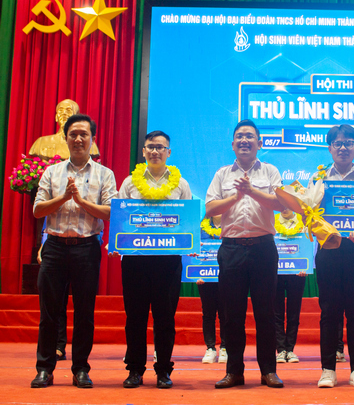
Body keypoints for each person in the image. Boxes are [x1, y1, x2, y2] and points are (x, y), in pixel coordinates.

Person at [30, 114, 117, 388]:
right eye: (73, 134)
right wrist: (64, 198)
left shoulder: (105, 174)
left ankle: (81, 369)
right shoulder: (52, 172)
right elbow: (37, 210)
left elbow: (110, 212)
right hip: (55, 247)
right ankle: (44, 369)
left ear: (93, 139)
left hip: (86, 249)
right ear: (66, 138)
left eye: (84, 134)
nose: (78, 139)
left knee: (84, 313)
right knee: (49, 312)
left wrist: (80, 201)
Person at [206, 119, 285, 388]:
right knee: (232, 314)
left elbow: (280, 204)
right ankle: (234, 372)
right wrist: (236, 197)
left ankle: (268, 371)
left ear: (259, 143)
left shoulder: (270, 171)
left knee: (266, 312)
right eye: (239, 136)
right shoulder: (222, 174)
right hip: (232, 249)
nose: (244, 140)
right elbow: (210, 209)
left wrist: (251, 190)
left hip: (263, 248)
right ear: (232, 144)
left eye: (249, 136)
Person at [116, 130, 192, 388]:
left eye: (160, 147)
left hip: (168, 261)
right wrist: (116, 241)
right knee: (135, 317)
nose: (155, 151)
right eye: (151, 147)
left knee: (165, 318)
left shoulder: (181, 184)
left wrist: (190, 241)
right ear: (144, 151)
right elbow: (121, 217)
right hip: (135, 260)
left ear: (168, 152)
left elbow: (187, 219)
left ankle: (163, 371)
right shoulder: (129, 183)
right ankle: (134, 370)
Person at [312, 124, 354, 389]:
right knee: (329, 311)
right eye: (338, 143)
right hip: (328, 249)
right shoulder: (318, 179)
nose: (343, 147)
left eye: (348, 143)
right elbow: (309, 213)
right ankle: (328, 369)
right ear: (330, 148)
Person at [274, 210, 306, 364]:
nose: (285, 207)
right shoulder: (271, 221)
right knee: (276, 313)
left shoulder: (303, 223)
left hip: (297, 272)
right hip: (275, 272)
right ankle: (280, 350)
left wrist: (305, 267)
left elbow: (308, 246)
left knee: (294, 313)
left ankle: (290, 349)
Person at [198, 214, 227, 364]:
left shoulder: (231, 226)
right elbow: (194, 251)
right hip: (205, 278)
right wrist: (196, 273)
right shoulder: (200, 228)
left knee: (225, 313)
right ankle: (210, 348)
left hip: (226, 277)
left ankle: (224, 348)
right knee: (208, 314)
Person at [29, 99, 100, 160]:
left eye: (68, 110)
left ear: (76, 117)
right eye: (61, 110)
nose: (64, 113)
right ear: (56, 117)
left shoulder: (88, 144)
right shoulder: (41, 142)